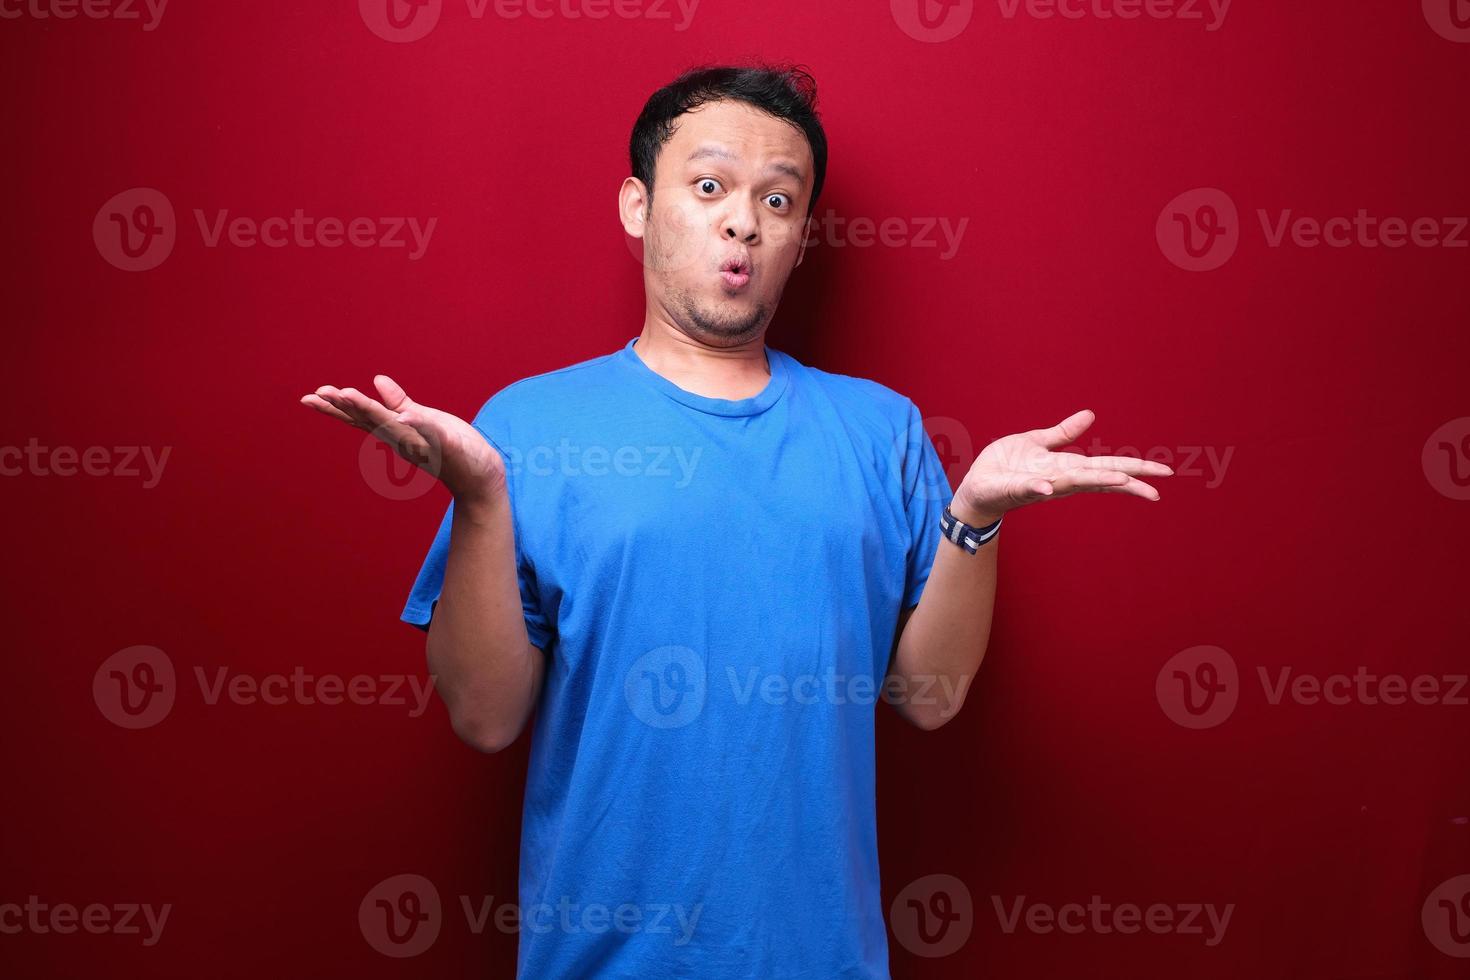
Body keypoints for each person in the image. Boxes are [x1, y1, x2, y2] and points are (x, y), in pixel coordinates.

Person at [300, 62, 1172, 979]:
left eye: (780, 199)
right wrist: (478, 501)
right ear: (638, 206)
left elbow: (930, 698)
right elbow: (484, 718)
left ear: (801, 236)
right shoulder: (529, 427)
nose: (744, 221)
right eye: (709, 185)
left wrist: (976, 518)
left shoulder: (882, 430)